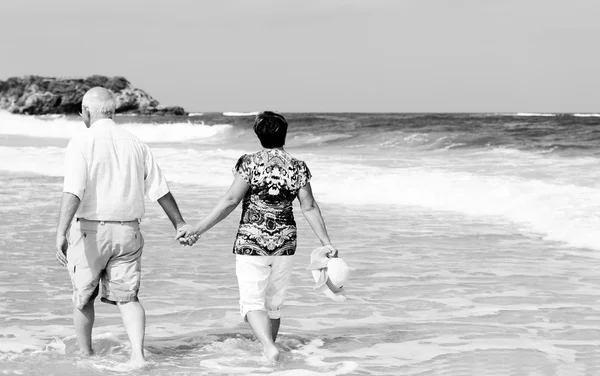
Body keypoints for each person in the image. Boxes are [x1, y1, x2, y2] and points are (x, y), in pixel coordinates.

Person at [177, 111, 337, 362]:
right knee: (274, 305)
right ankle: (269, 355)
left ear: (258, 135)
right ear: (285, 134)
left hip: (251, 243)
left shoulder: (249, 163)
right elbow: (309, 207)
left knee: (252, 304)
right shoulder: (298, 167)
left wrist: (197, 229)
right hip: (285, 244)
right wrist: (326, 243)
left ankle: (268, 347)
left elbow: (231, 200)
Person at [54, 87, 196, 366]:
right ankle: (137, 355)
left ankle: (86, 356)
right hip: (128, 232)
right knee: (128, 297)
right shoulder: (136, 143)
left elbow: (74, 191)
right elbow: (159, 189)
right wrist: (179, 224)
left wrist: (60, 231)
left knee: (83, 298)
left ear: (86, 112)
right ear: (112, 111)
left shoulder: (81, 141)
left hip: (90, 232)